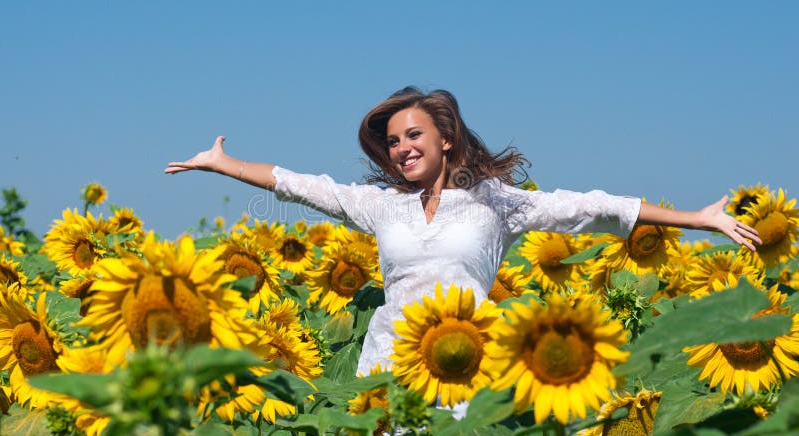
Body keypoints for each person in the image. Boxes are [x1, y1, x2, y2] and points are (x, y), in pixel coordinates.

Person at [165, 86, 761, 375]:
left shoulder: (493, 203)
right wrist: (224, 165)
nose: (401, 148)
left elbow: (592, 206)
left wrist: (698, 219)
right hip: (390, 358)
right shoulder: (381, 207)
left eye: (414, 136)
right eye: (394, 141)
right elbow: (301, 184)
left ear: (445, 139)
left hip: (468, 357)